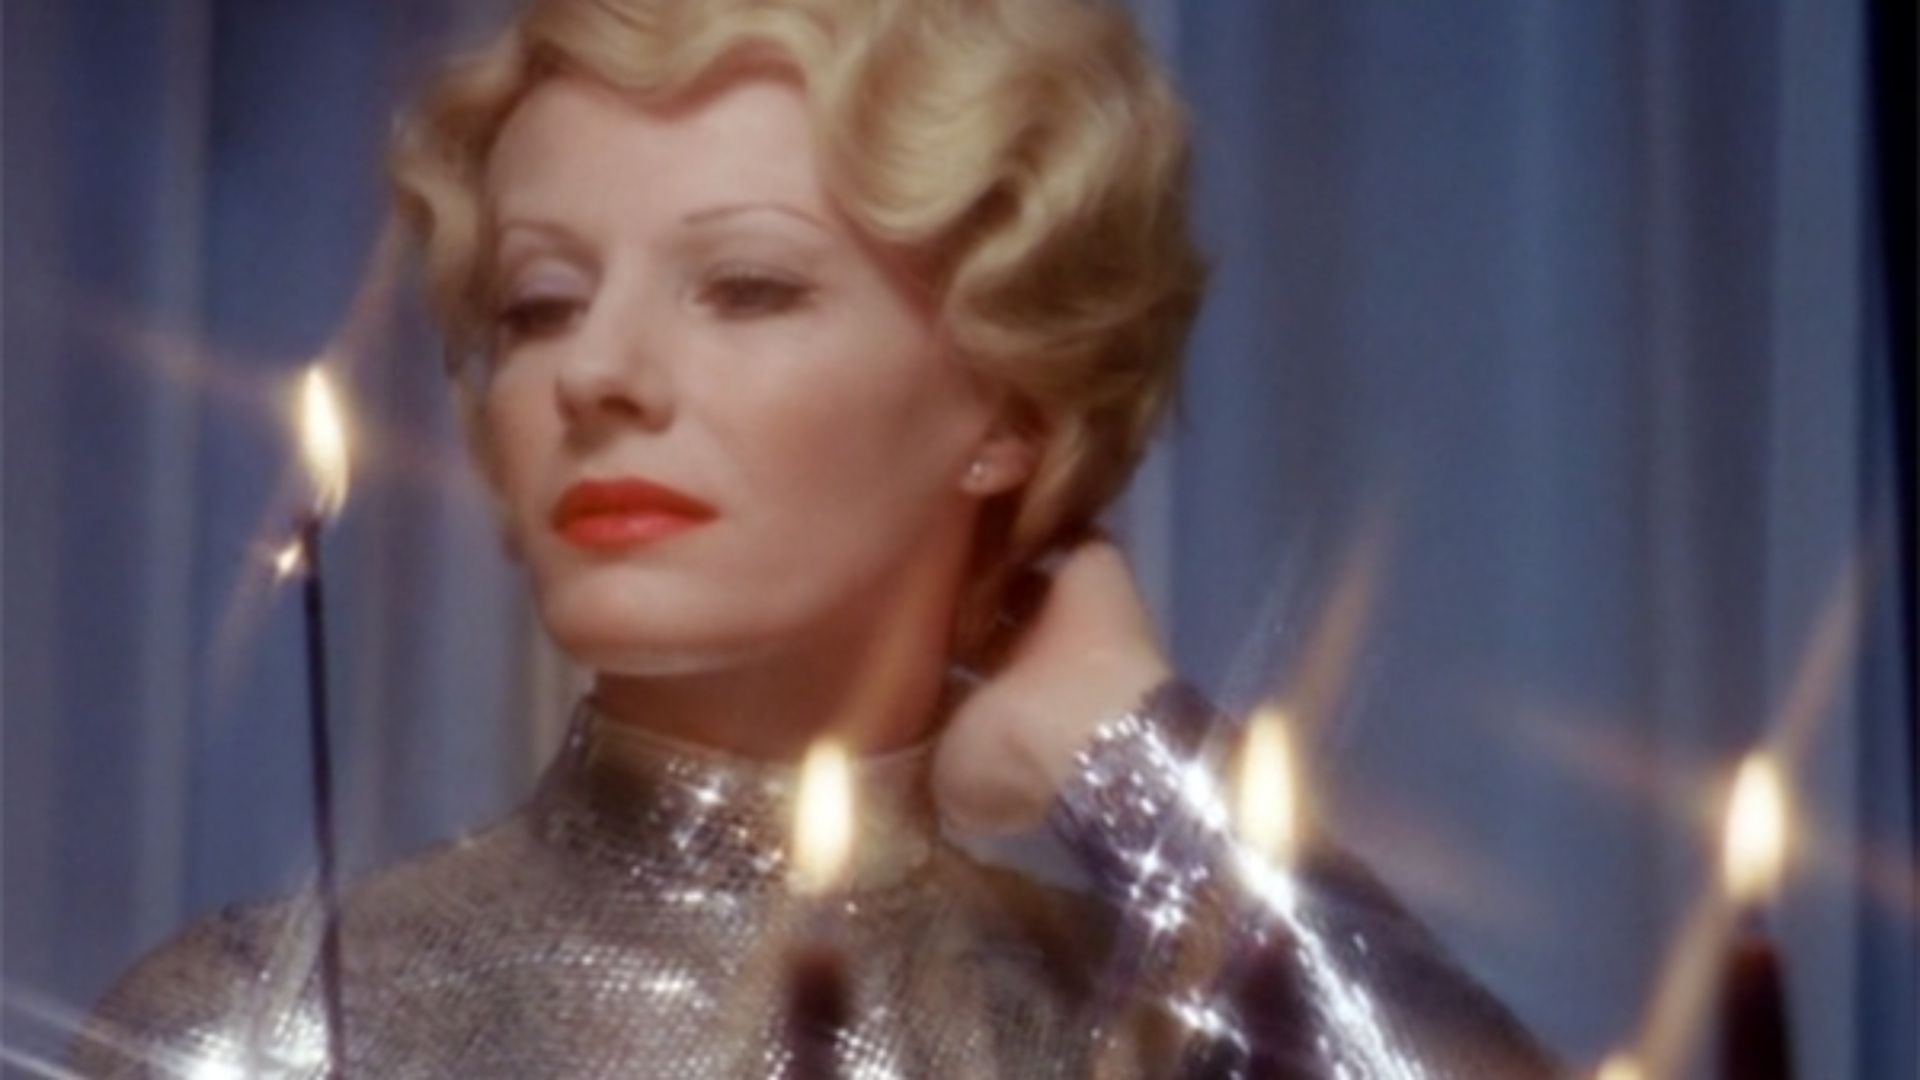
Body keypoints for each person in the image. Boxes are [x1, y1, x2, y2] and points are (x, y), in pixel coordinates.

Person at [71, 0, 1557, 1075]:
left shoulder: (1150, 1026)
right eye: (539, 304)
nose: (597, 375)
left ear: (1010, 402)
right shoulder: (260, 1024)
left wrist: (1130, 754)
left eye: (747, 288)